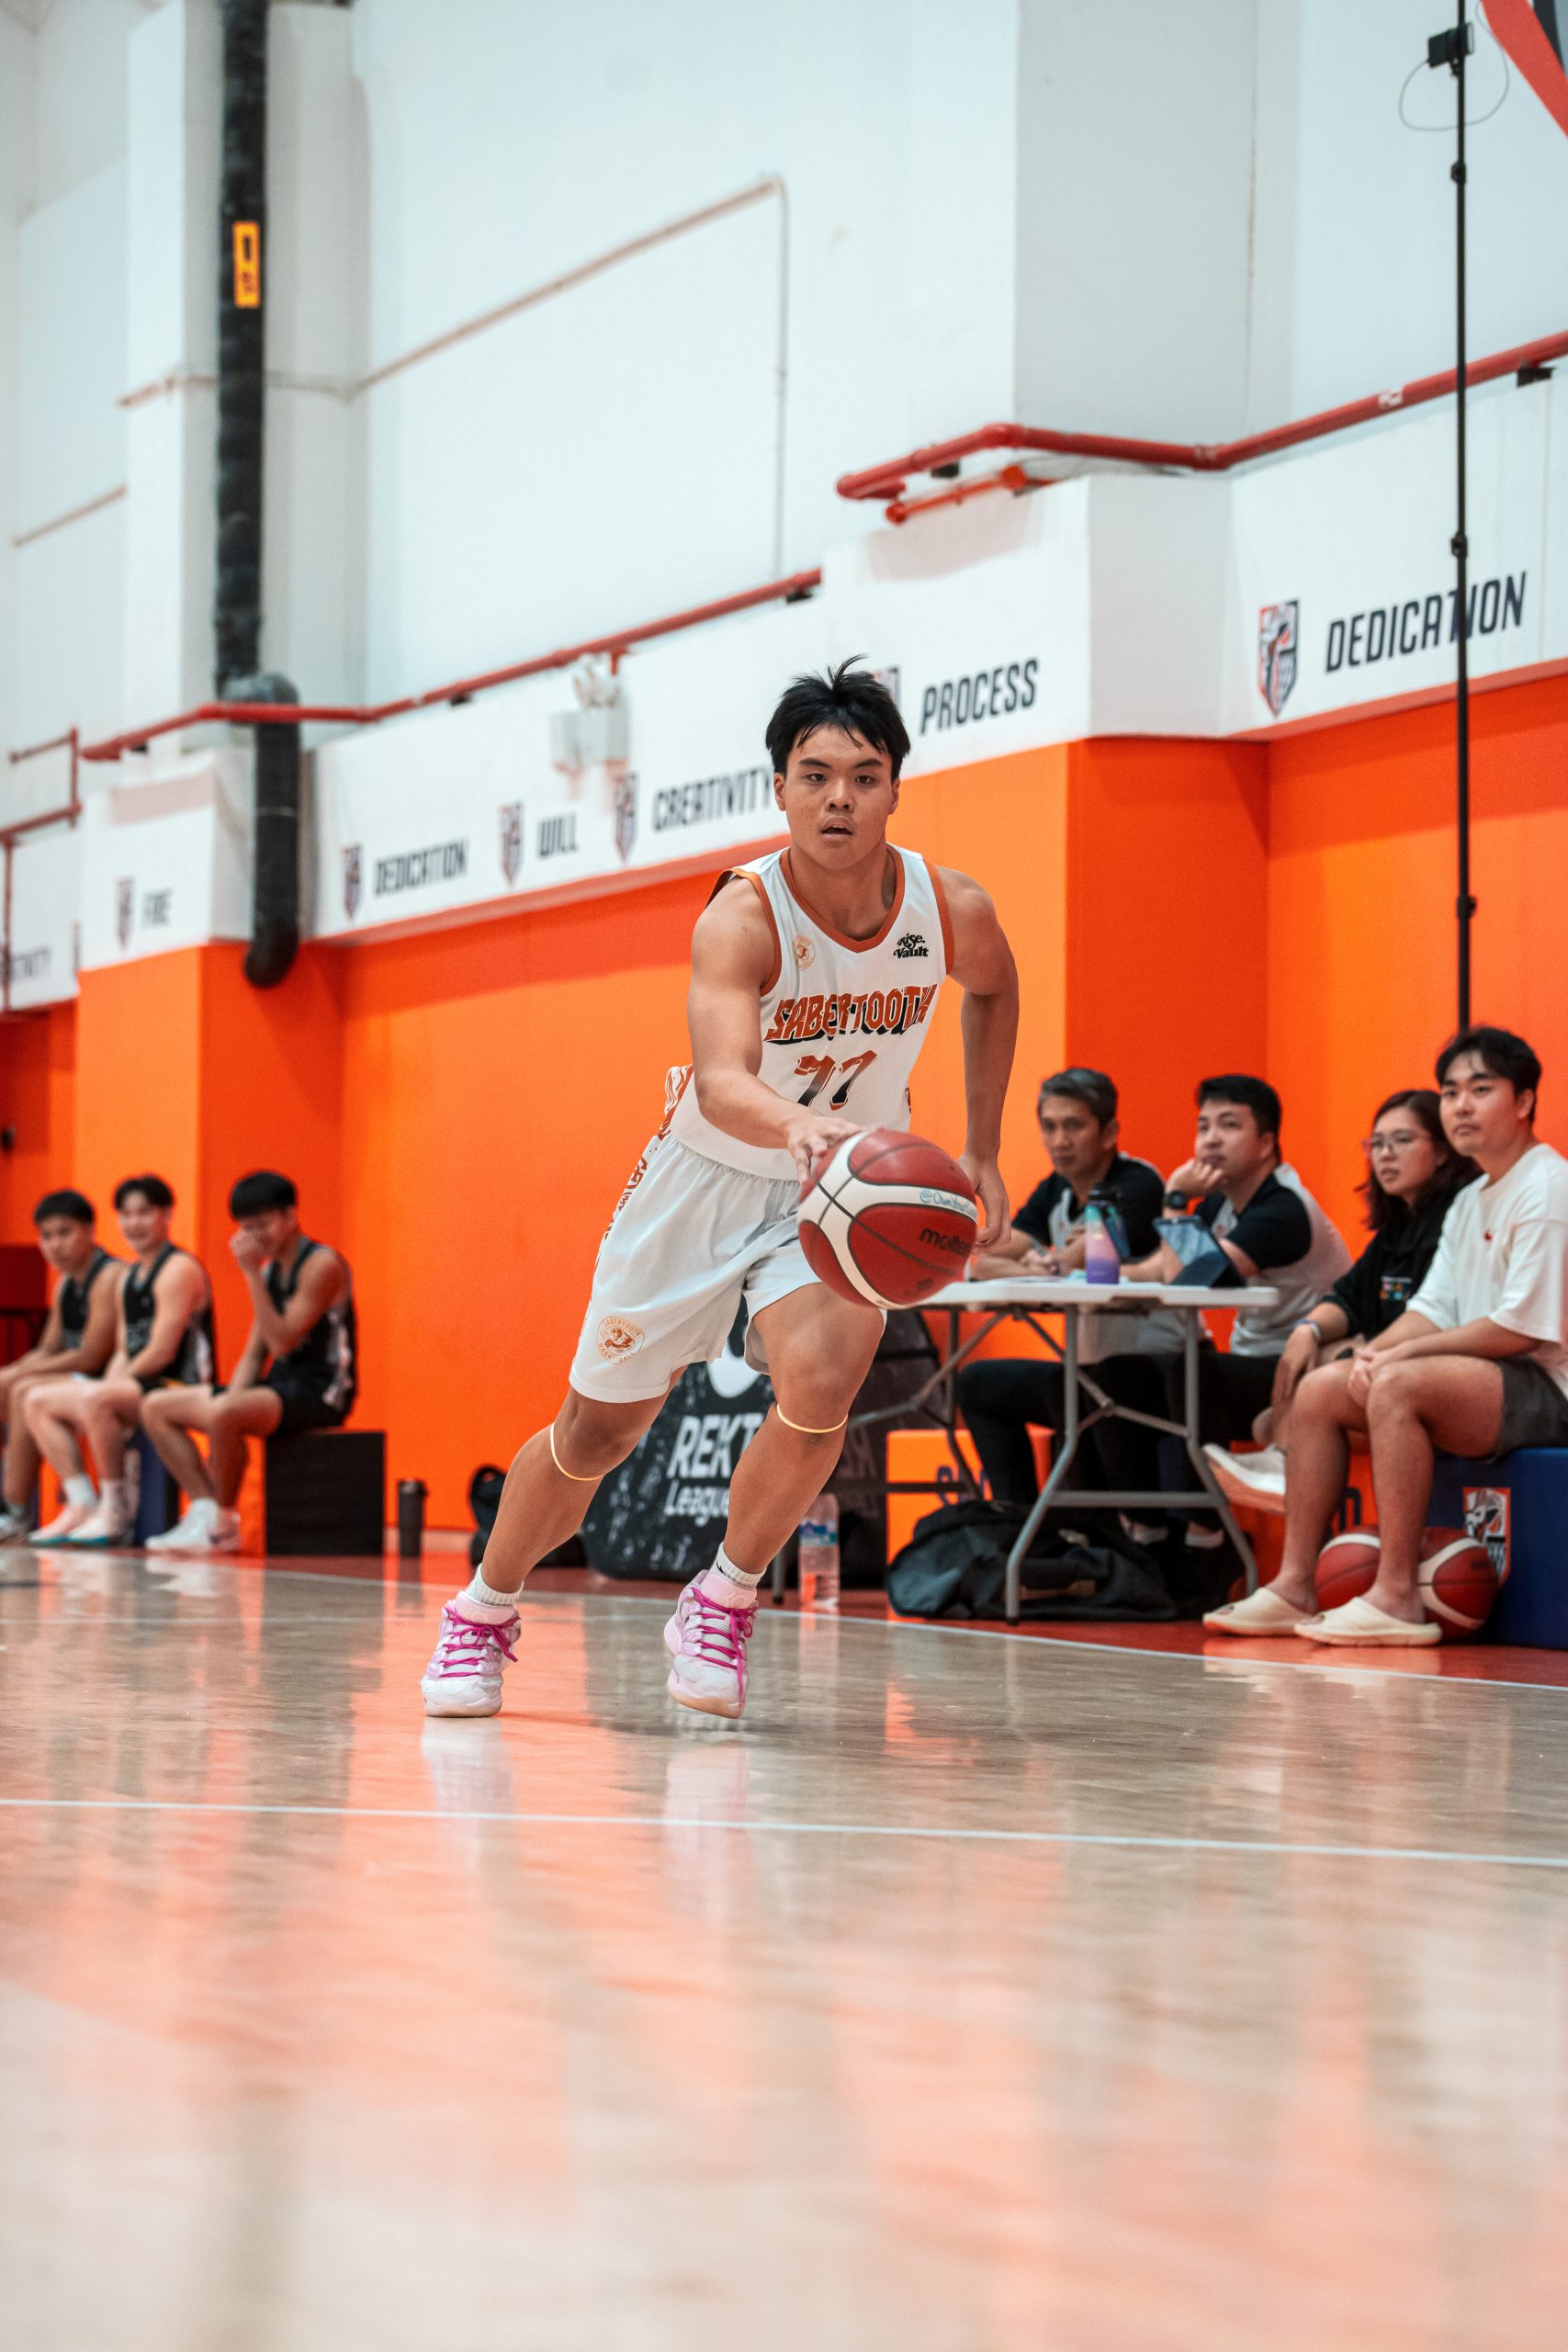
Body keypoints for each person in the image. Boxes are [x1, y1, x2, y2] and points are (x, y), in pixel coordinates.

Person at [421, 659, 1018, 1722]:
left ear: (895, 788)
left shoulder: (948, 905)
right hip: (706, 1179)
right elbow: (722, 1080)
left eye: (864, 776)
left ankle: (724, 1596)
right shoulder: (743, 916)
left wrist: (982, 1146)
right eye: (815, 775)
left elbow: (995, 986)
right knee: (597, 1434)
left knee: (824, 1386)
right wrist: (798, 1126)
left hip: (841, 1189)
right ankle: (483, 1607)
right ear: (780, 788)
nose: (839, 798)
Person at [1206, 1026, 1568, 1644]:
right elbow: (1432, 1307)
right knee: (1324, 1388)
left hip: (1548, 1387)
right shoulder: (1471, 1199)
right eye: (1450, 1092)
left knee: (1398, 1384)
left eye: (1480, 1089)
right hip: (1491, 1379)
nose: (1460, 1106)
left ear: (1524, 1100)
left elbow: (1518, 1329)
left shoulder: (1548, 1187)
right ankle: (1294, 1586)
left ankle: (1396, 1596)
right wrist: (1371, 1354)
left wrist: (1400, 1356)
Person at [1094, 1075, 1350, 1555]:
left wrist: (1174, 1198)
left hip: (1302, 1370)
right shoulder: (1222, 1200)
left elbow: (1187, 1282)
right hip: (1255, 1363)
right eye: (1203, 1126)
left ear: (1266, 1142)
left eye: (1228, 1125)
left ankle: (1209, 1538)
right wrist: (1084, 1273)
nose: (1210, 1139)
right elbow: (1162, 1268)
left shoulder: (1282, 1209)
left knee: (1192, 1371)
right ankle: (1146, 1536)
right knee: (1113, 1378)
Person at [1204, 1089, 1476, 1513]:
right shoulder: (1395, 1229)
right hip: (1385, 1367)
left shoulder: (1455, 1221)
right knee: (1299, 1369)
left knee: (1324, 1369)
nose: (1385, 1155)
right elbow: (1347, 1297)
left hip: (1439, 1371)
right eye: (1377, 1144)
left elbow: (1437, 1316)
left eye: (1401, 1141)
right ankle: (1281, 1458)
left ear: (1442, 1152)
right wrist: (1306, 1330)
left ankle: (1284, 1461)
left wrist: (1357, 1348)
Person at [955, 1067, 1181, 1506]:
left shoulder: (1139, 1184)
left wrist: (1043, 1262)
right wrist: (1040, 1265)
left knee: (1082, 1396)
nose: (1059, 1140)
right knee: (979, 1383)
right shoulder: (1055, 1190)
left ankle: (1111, 1527)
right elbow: (986, 1260)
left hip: (1157, 1366)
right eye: (1050, 1126)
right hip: (1092, 1368)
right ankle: (1018, 1522)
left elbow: (1069, 1262)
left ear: (1109, 1132)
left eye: (1074, 1125)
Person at [140, 1171, 357, 1555]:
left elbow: (283, 1342)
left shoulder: (321, 1264)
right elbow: (256, 1352)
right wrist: (229, 1401)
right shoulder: (272, 1270)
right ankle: (205, 1510)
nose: (255, 1236)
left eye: (262, 1225)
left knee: (227, 1413)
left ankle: (223, 1526)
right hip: (278, 1386)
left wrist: (251, 1273)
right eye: (246, 1228)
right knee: (156, 1406)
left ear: (290, 1216)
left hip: (323, 1389)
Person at [25, 1175, 215, 1547]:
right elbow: (124, 1350)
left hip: (181, 1382)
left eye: (144, 1213)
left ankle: (115, 1509)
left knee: (95, 1398)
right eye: (126, 1215)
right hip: (139, 1383)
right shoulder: (129, 1276)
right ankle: (82, 1502)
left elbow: (161, 1351)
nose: (134, 1223)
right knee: (37, 1400)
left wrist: (104, 1390)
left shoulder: (178, 1268)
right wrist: (105, 1386)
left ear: (167, 1215)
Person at [0, 1192, 123, 1542]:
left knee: (24, 1390)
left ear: (90, 1231)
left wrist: (18, 1375)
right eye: (47, 1235)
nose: (55, 1244)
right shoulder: (66, 1282)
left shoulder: (109, 1275)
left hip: (109, 1377)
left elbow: (91, 1356)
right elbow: (48, 1348)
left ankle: (16, 1510)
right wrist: (11, 1372)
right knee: (10, 1384)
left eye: (64, 1233)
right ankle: (14, 1506)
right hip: (76, 1376)